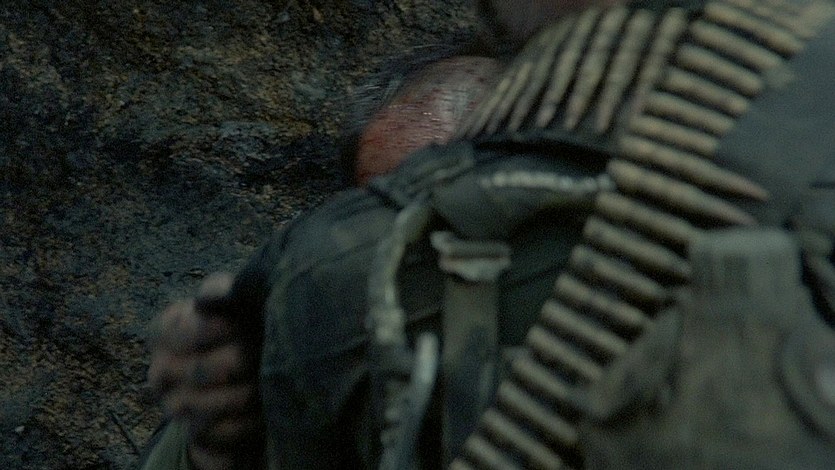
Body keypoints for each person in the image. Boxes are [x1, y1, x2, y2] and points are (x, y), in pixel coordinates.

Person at [142, 0, 835, 468]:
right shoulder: (333, 293)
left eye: (468, 175)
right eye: (404, 194)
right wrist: (219, 435)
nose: (448, 208)